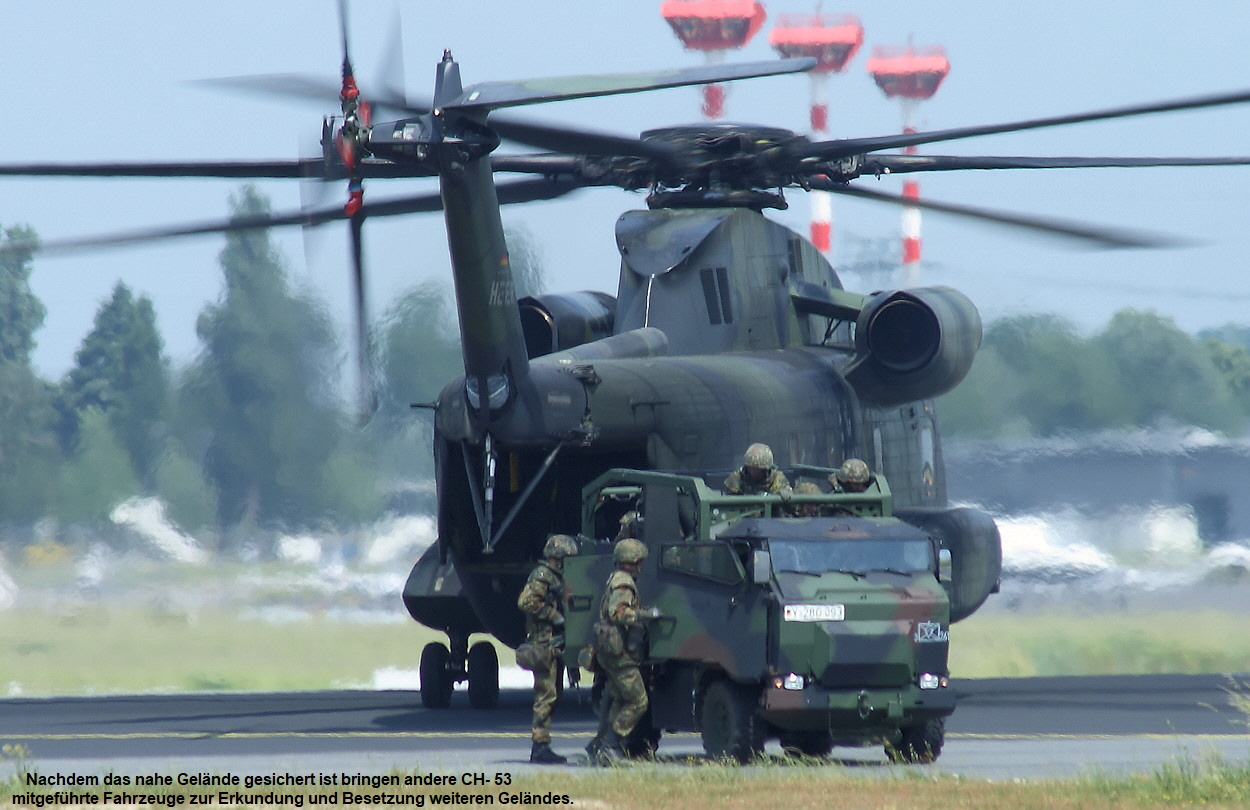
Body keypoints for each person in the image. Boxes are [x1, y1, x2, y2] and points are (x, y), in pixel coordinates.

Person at [588, 537, 656, 764]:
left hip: (611, 649)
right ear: (634, 560)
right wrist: (645, 615)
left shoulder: (617, 578)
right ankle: (610, 747)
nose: (643, 565)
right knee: (638, 701)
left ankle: (599, 745)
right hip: (618, 652)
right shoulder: (624, 583)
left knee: (619, 699)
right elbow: (617, 612)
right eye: (641, 560)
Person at [516, 533, 579, 764]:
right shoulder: (543, 576)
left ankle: (542, 743)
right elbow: (525, 602)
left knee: (553, 694)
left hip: (553, 643)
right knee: (546, 695)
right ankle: (539, 746)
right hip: (544, 643)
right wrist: (553, 616)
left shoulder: (556, 576)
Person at [723, 442, 792, 498]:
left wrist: (784, 492)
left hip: (770, 514)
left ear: (765, 469)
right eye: (750, 468)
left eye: (757, 469)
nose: (752, 472)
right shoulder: (737, 479)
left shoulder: (776, 478)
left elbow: (785, 491)